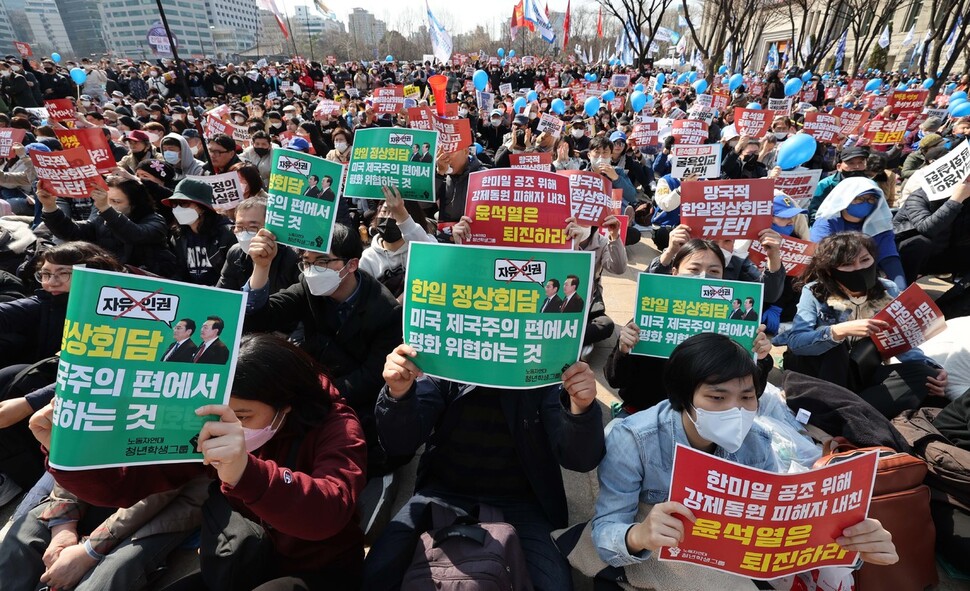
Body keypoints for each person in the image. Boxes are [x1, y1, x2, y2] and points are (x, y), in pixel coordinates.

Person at [32, 334, 368, 590]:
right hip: (239, 555)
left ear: (287, 404)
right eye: (223, 414)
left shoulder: (337, 424)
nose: (229, 427)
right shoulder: (205, 426)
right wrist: (68, 454)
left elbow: (329, 510)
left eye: (242, 415)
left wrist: (247, 473)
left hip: (316, 568)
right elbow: (127, 486)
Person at [590, 333, 898, 587]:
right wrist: (639, 535)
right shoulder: (632, 439)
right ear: (682, 398)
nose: (736, 410)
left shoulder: (757, 441)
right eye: (718, 398)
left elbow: (776, 525)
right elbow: (605, 532)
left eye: (747, 397)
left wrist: (852, 544)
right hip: (661, 561)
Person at [362, 344, 605, 590]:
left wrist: (580, 408)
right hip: (443, 492)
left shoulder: (544, 367)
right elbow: (399, 443)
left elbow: (581, 459)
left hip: (523, 501)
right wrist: (398, 394)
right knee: (376, 573)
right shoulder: (444, 357)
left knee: (553, 585)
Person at [242, 224, 403, 476]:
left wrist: (317, 396)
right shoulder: (308, 287)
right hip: (316, 381)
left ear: (351, 265)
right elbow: (259, 319)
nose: (312, 270)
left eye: (322, 262)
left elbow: (373, 376)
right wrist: (261, 267)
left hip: (353, 399)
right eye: (306, 262)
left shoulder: (384, 310)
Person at [774, 232, 948, 419]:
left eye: (865, 260)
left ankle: (847, 415)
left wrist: (933, 369)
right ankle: (848, 413)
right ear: (831, 270)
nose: (859, 268)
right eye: (848, 264)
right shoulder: (815, 291)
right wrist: (838, 332)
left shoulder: (887, 289)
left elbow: (900, 340)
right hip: (820, 372)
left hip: (861, 370)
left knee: (923, 375)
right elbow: (797, 342)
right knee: (836, 348)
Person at [0, 242, 123, 504]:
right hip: (57, 379)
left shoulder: (119, 309)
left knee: (19, 382)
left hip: (100, 397)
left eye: (63, 273)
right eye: (45, 273)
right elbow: (10, 313)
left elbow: (107, 371)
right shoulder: (48, 300)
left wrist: (28, 403)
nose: (51, 282)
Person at [605, 237, 777, 414]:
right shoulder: (649, 318)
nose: (703, 276)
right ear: (674, 272)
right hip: (644, 413)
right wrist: (623, 350)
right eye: (694, 269)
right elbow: (614, 379)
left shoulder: (736, 325)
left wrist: (761, 359)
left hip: (706, 421)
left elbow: (752, 393)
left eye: (714, 271)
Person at [38, 177, 175, 277]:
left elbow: (134, 235)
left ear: (134, 204)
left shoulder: (155, 221)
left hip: (148, 283)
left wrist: (105, 208)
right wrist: (50, 207)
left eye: (116, 201)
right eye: (107, 201)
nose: (109, 205)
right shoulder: (101, 219)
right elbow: (71, 232)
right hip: (109, 281)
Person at [810, 177, 905, 290]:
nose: (866, 203)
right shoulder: (826, 223)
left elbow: (889, 259)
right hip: (835, 277)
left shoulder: (880, 225)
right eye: (859, 199)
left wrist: (901, 289)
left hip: (870, 276)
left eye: (871, 199)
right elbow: (822, 258)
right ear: (845, 199)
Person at [358, 186, 434, 297]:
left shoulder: (424, 241)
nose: (388, 217)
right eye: (384, 211)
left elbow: (433, 257)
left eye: (395, 213)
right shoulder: (368, 257)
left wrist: (402, 214)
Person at [217, 196, 300, 294]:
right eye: (239, 227)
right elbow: (223, 294)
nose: (244, 233)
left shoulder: (293, 258)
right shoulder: (235, 253)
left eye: (253, 227)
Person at [893, 181, 970, 285]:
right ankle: (902, 290)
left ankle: (956, 298)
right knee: (920, 243)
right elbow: (927, 229)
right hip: (910, 254)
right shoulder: (920, 195)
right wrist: (956, 199)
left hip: (943, 253)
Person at [164, 178, 236, 286]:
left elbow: (232, 277)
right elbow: (180, 272)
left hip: (221, 295)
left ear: (202, 207)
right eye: (174, 204)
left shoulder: (227, 234)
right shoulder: (178, 235)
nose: (178, 208)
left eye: (184, 203)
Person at [807, 146, 870, 222]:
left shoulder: (870, 185)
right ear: (839, 167)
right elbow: (814, 211)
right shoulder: (826, 185)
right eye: (851, 163)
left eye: (861, 162)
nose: (856, 167)